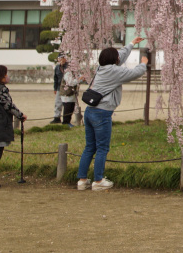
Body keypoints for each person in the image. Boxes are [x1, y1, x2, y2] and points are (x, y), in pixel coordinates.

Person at [77, 37, 148, 191]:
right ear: (114, 60)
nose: (119, 58)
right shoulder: (116, 71)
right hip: (102, 114)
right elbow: (135, 73)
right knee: (102, 148)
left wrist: (131, 44)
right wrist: (143, 63)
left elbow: (119, 56)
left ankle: (82, 180)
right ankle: (98, 181)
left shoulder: (101, 68)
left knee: (90, 147)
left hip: (90, 111)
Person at [58, 60, 79, 127]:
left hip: (71, 94)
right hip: (66, 94)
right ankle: (65, 123)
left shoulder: (73, 73)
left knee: (71, 108)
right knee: (67, 109)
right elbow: (70, 83)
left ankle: (68, 122)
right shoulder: (67, 73)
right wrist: (79, 79)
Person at [51, 55, 66, 124]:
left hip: (67, 87)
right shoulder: (57, 67)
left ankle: (67, 118)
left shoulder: (68, 67)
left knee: (67, 103)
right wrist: (55, 88)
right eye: (59, 58)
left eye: (62, 58)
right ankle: (57, 117)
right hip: (59, 87)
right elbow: (55, 78)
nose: (61, 60)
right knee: (57, 102)